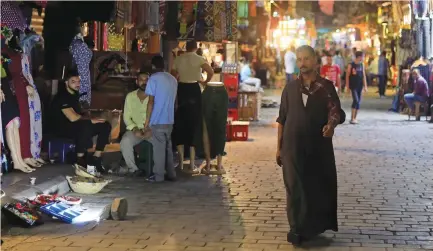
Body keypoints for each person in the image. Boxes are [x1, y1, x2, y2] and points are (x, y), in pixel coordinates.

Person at [276, 45, 342, 245]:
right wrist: (278, 148)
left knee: (314, 186)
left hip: (316, 148)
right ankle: (296, 229)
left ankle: (312, 226)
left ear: (314, 61)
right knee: (294, 187)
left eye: (306, 59)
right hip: (291, 147)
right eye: (300, 59)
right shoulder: (289, 89)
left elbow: (335, 111)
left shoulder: (325, 87)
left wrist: (331, 125)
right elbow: (282, 119)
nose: (302, 63)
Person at [50, 69, 111, 172]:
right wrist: (91, 119)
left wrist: (93, 118)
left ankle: (96, 157)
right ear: (66, 83)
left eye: (78, 82)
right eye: (73, 82)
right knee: (85, 125)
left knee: (105, 125)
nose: (77, 84)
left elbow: (80, 114)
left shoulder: (74, 95)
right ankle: (80, 158)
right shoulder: (62, 96)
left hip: (74, 125)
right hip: (61, 128)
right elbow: (73, 118)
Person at [171, 40, 214, 174]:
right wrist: (205, 81)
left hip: (182, 89)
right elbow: (211, 71)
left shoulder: (178, 59)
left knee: (180, 123)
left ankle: (181, 163)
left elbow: (173, 75)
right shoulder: (199, 59)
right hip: (195, 89)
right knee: (194, 123)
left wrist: (178, 79)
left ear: (186, 47)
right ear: (196, 48)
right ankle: (191, 164)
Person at [144, 55, 178, 182]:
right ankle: (171, 173)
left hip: (157, 119)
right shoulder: (173, 79)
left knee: (158, 149)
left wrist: (147, 121)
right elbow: (175, 102)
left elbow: (151, 102)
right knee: (168, 148)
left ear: (153, 66)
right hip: (169, 119)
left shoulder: (153, 79)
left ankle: (158, 176)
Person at [119, 72, 150, 174]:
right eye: (141, 80)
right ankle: (134, 169)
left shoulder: (154, 97)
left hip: (151, 130)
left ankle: (157, 170)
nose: (144, 82)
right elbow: (126, 117)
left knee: (161, 141)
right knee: (125, 141)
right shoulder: (130, 96)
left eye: (146, 80)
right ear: (137, 82)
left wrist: (150, 129)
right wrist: (135, 129)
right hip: (136, 130)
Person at [346, 51, 368, 124]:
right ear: (359, 57)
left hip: (360, 86)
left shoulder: (362, 65)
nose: (363, 58)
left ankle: (355, 118)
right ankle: (352, 118)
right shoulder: (351, 65)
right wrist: (348, 87)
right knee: (356, 100)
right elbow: (347, 76)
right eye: (363, 56)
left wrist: (365, 86)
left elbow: (364, 76)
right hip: (353, 86)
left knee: (358, 102)